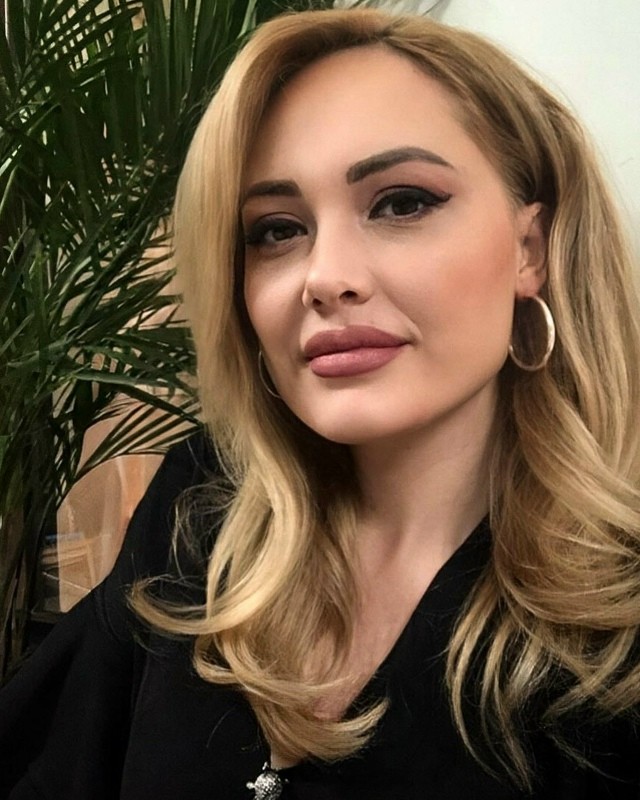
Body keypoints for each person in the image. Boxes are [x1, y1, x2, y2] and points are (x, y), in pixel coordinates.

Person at [2, 7, 640, 799]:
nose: (325, 276)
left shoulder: (616, 624)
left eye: (401, 203)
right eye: (276, 230)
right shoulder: (202, 512)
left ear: (529, 248)